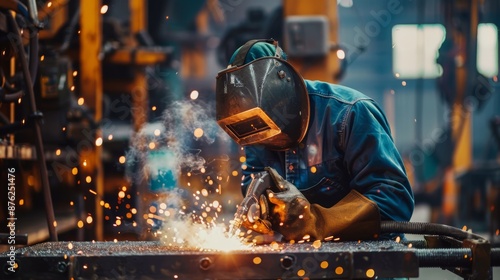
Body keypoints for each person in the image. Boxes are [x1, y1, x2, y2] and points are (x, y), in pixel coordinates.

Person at [215, 39, 414, 242]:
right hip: (307, 262)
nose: (266, 141)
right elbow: (254, 182)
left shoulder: (350, 113)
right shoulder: (254, 129)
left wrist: (318, 221)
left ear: (284, 90)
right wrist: (264, 212)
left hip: (369, 260)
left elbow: (394, 198)